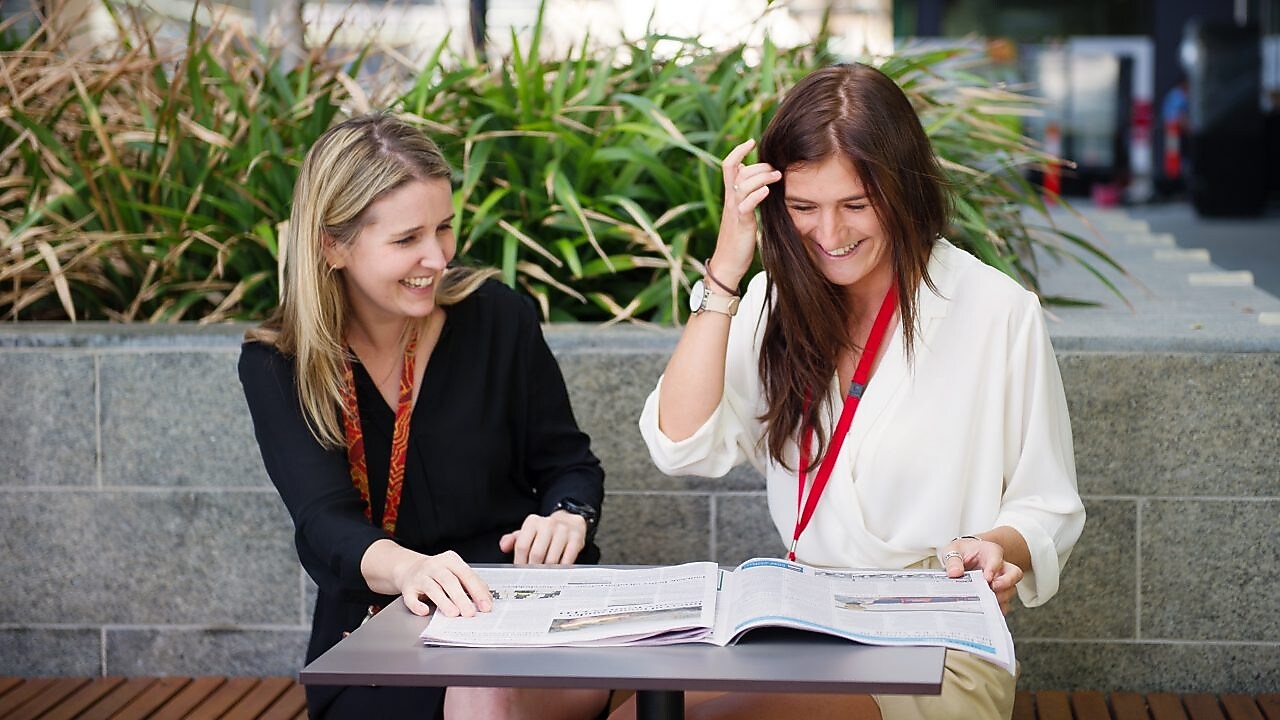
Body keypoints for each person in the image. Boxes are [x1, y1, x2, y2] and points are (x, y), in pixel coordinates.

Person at [633, 63, 1085, 719]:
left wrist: (999, 548)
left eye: (855, 205)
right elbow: (679, 444)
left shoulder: (995, 310)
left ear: (901, 191)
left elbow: (1048, 504)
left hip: (936, 641)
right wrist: (728, 272)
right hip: (802, 626)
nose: (830, 235)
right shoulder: (771, 303)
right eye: (803, 208)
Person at [238, 113, 609, 719]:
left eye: (444, 229)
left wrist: (568, 517)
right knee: (481, 698)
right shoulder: (279, 362)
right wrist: (411, 570)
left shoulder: (499, 317)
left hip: (523, 611)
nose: (436, 258)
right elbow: (324, 523)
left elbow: (570, 465)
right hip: (377, 631)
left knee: (492, 692)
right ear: (333, 244)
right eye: (407, 239)